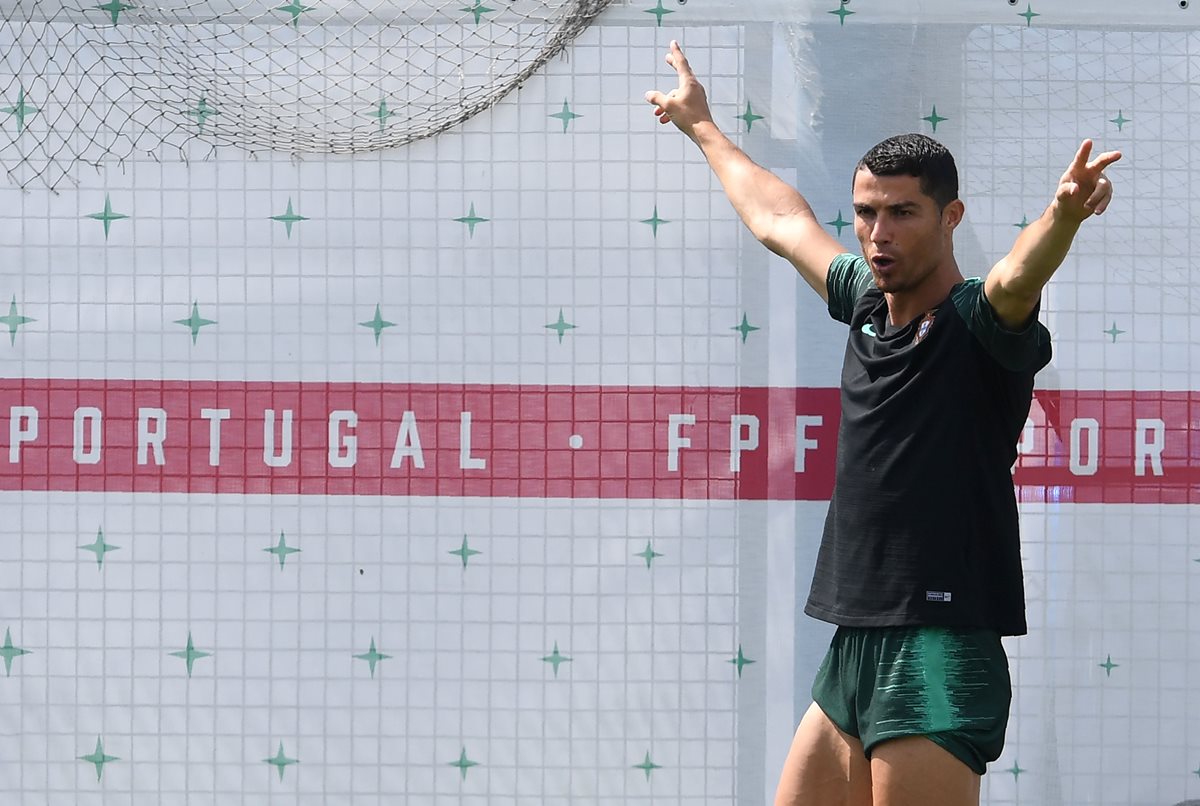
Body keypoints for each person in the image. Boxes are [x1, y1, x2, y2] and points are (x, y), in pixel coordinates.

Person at [645, 41, 1120, 806]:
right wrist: (702, 126)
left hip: (939, 645)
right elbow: (780, 218)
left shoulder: (979, 322)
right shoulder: (865, 302)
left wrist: (1060, 218)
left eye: (902, 213)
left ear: (950, 216)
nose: (879, 232)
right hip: (854, 644)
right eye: (867, 212)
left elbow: (1014, 276)